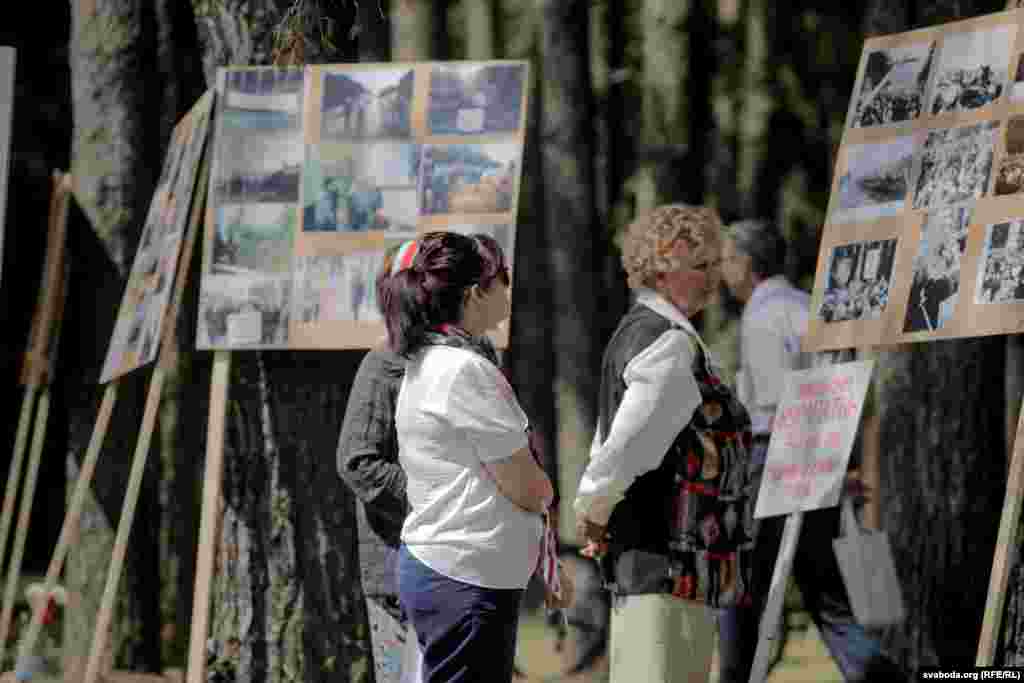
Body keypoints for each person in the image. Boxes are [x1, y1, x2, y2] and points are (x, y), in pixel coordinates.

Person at [573, 204, 757, 678]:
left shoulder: (642, 332)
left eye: (716, 264)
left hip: (660, 563)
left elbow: (610, 438)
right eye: (701, 266)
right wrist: (593, 510)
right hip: (664, 559)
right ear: (663, 263)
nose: (713, 278)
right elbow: (630, 444)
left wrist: (596, 509)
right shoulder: (667, 342)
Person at [720, 218, 908, 682]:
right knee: (828, 595)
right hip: (819, 454)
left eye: (726, 260)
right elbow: (846, 392)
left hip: (775, 459)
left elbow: (772, 402)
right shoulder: (810, 307)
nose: (722, 271)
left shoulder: (762, 315)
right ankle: (877, 676)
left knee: (744, 586)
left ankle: (734, 675)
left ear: (746, 264)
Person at [386, 231, 554, 683]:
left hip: (454, 567)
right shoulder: (463, 370)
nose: (508, 292)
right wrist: (544, 489)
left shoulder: (434, 362)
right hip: (466, 576)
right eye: (503, 280)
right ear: (477, 291)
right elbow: (520, 482)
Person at [337, 239, 422, 683]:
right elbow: (356, 461)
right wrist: (428, 495)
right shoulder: (383, 366)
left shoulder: (469, 356)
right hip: (398, 571)